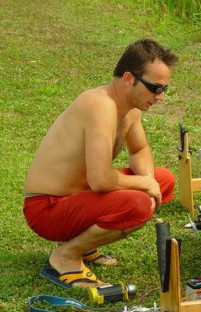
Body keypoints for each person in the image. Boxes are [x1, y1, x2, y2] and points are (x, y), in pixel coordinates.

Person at [23, 39, 178, 288]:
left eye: (164, 89)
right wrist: (143, 186)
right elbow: (100, 180)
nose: (160, 97)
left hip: (81, 196)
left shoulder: (131, 107)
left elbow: (139, 150)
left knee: (164, 180)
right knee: (138, 204)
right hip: (47, 208)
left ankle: (85, 245)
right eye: (154, 88)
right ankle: (67, 255)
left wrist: (149, 182)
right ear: (129, 78)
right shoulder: (100, 105)